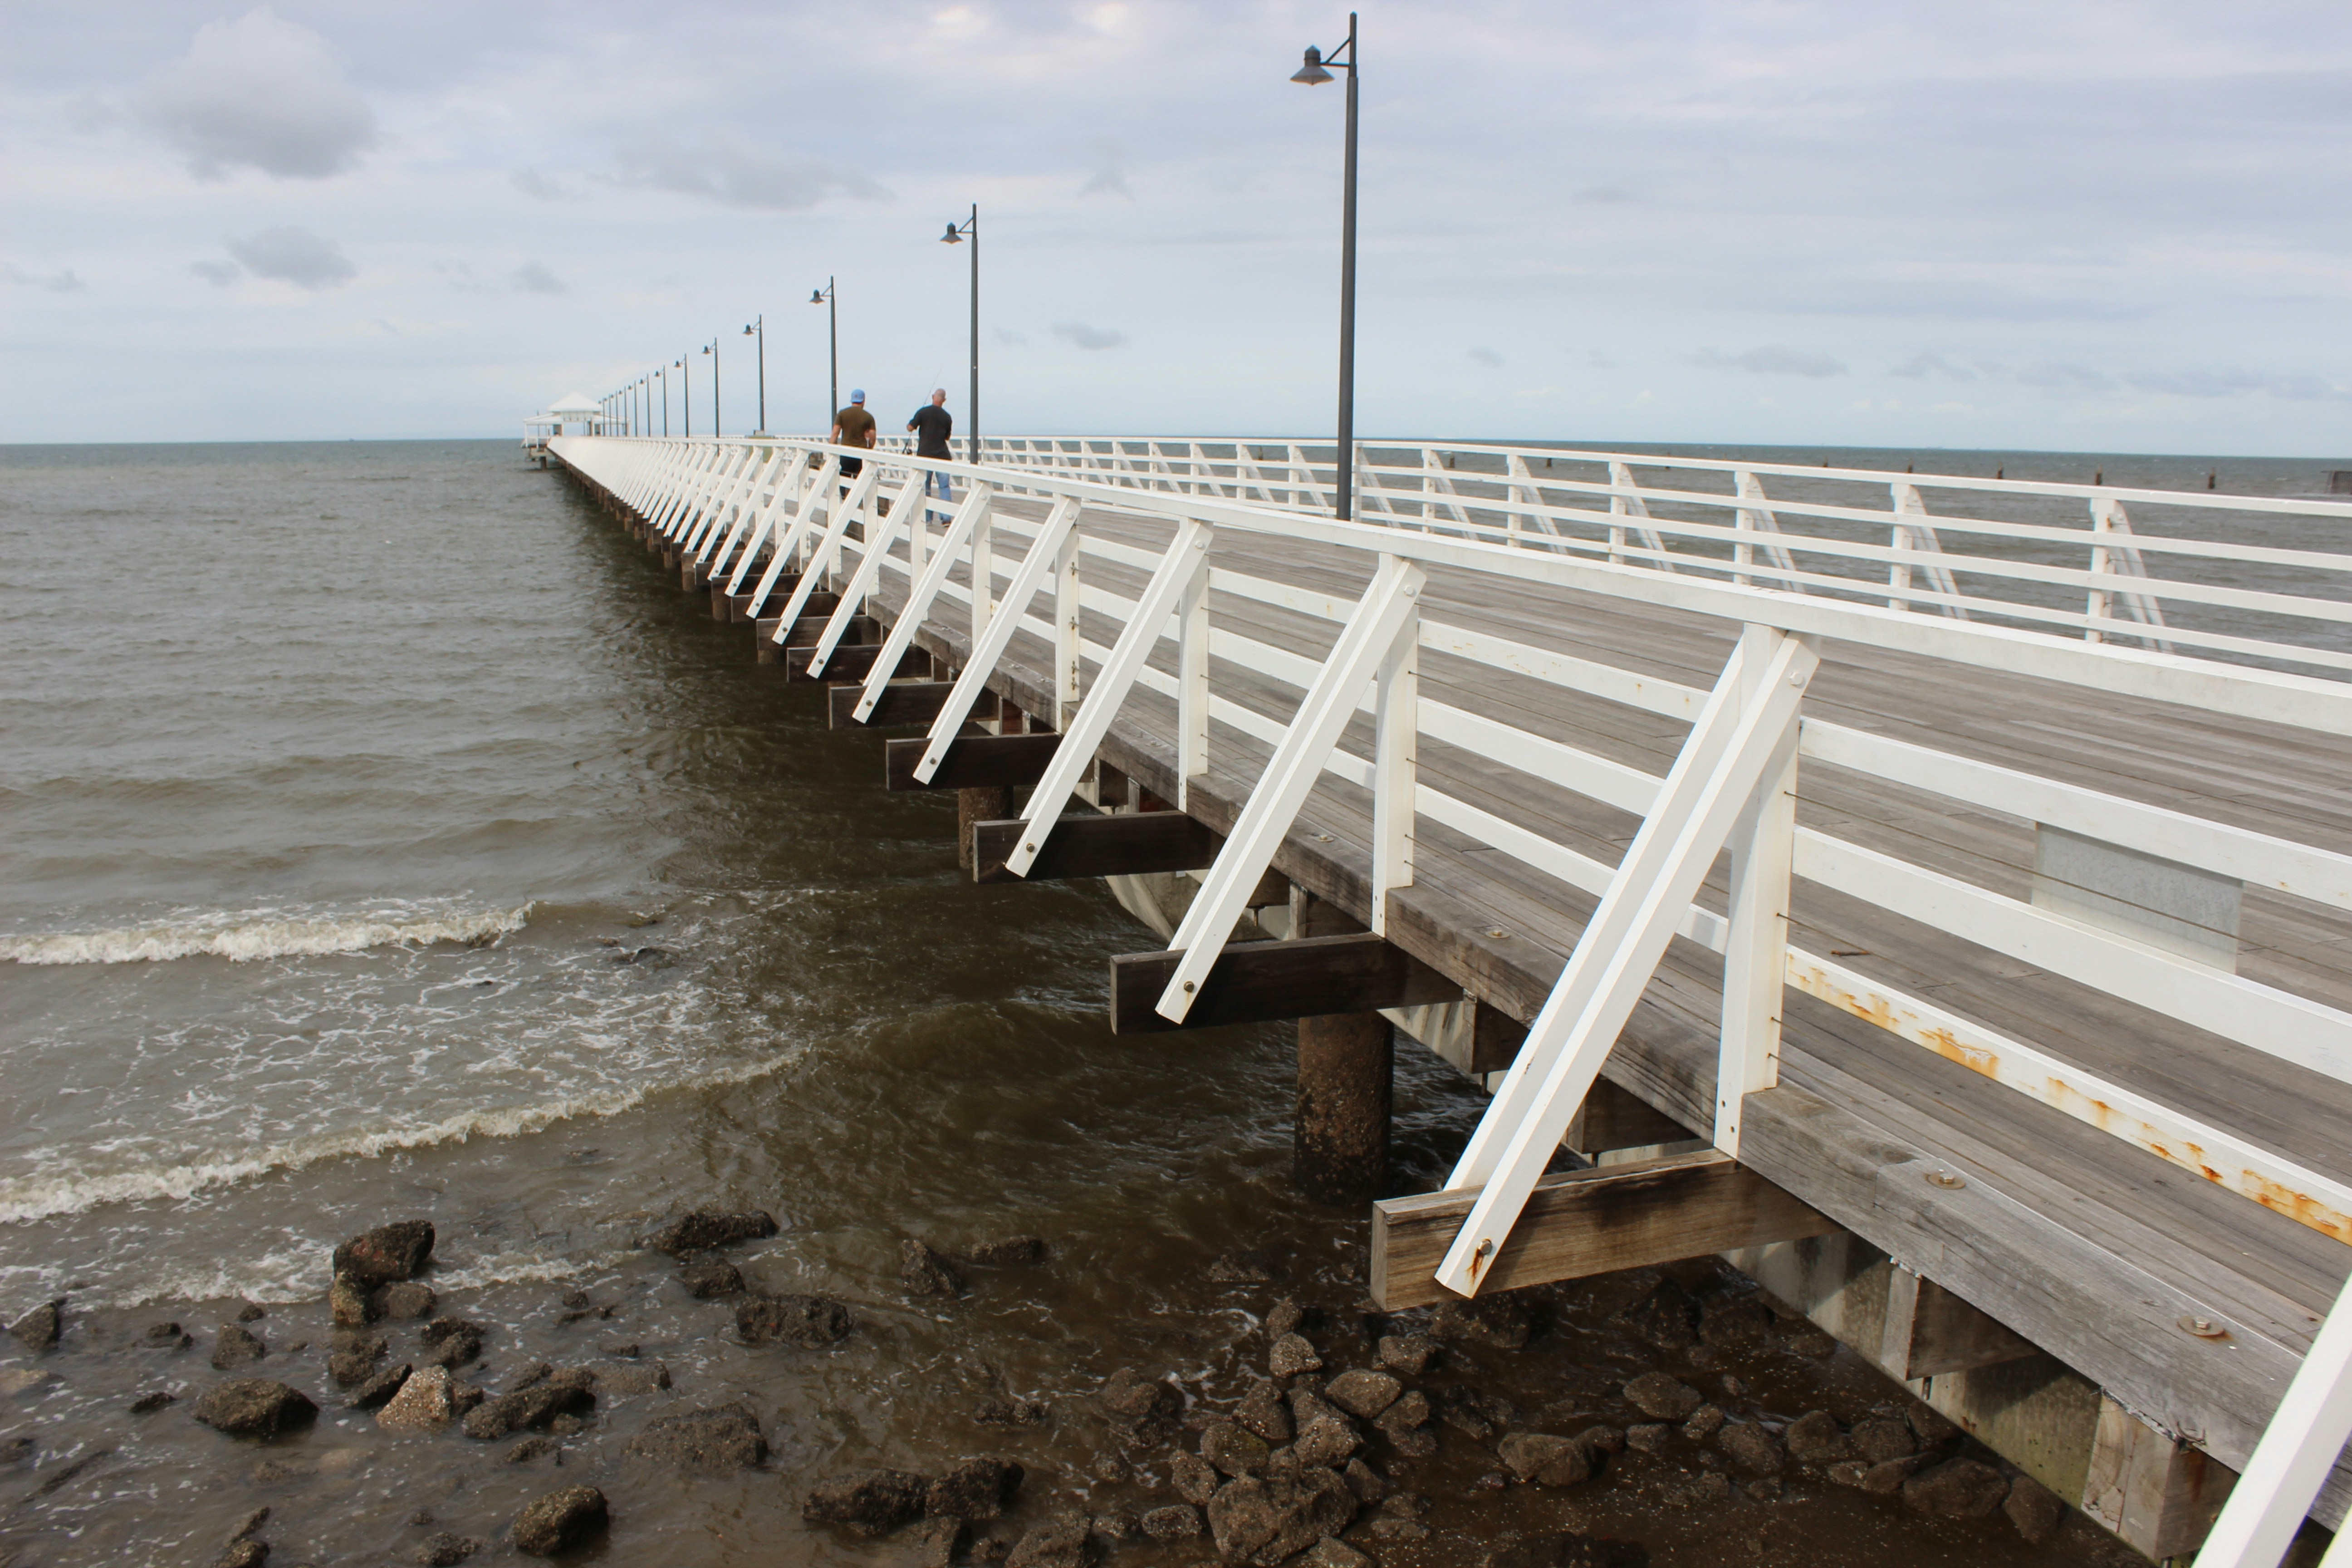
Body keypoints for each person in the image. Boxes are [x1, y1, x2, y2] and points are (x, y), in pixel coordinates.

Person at [907, 389, 953, 518]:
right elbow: (947, 437)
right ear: (944, 400)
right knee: (944, 487)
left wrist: (913, 423)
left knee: (925, 487)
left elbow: (910, 428)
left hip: (925, 455)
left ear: (933, 397)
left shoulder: (923, 412)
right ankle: (946, 518)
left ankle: (927, 518)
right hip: (943, 456)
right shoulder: (947, 417)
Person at [830, 389, 876, 479]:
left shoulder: (842, 414)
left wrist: (831, 450)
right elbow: (873, 438)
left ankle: (844, 493)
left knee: (844, 477)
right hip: (861, 452)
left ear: (852, 400)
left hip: (846, 451)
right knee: (859, 479)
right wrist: (870, 449)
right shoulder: (868, 417)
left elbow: (835, 434)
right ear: (863, 401)